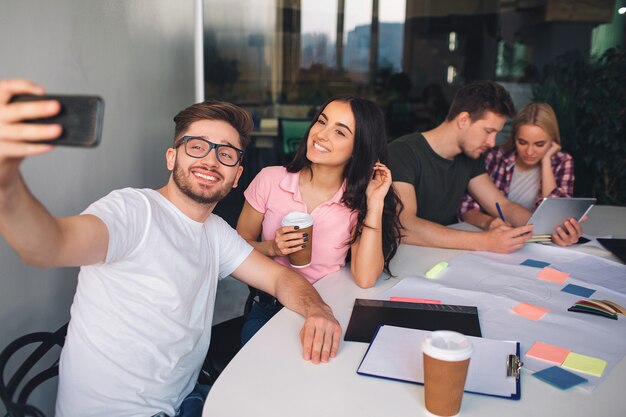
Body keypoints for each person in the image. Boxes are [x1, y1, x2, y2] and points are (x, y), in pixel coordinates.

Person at [0, 79, 341, 417]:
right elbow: (48, 246)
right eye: (197, 146)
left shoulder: (214, 232)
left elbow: (280, 279)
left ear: (237, 176)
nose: (210, 161)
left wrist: (318, 311)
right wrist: (6, 182)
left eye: (225, 153)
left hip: (185, 400)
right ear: (171, 157)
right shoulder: (133, 211)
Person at [236, 96, 402, 344]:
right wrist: (272, 247)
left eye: (340, 132)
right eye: (321, 122)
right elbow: (236, 246)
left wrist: (375, 202)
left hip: (329, 307)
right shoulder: (270, 179)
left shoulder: (356, 201)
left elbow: (365, 278)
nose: (321, 135)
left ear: (359, 148)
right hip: (270, 308)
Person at [388, 80, 582, 253]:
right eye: (488, 131)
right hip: (405, 257)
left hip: (443, 256)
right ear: (463, 120)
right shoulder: (402, 152)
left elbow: (503, 205)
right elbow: (405, 225)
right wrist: (485, 241)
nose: (492, 142)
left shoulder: (471, 156)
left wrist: (553, 230)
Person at [459, 102, 574, 228]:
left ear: (552, 140)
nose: (529, 152)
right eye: (522, 142)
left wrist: (546, 161)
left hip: (538, 238)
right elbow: (466, 208)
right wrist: (491, 223)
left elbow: (556, 214)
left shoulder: (562, 161)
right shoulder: (495, 157)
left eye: (539, 144)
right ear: (514, 137)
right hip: (496, 236)